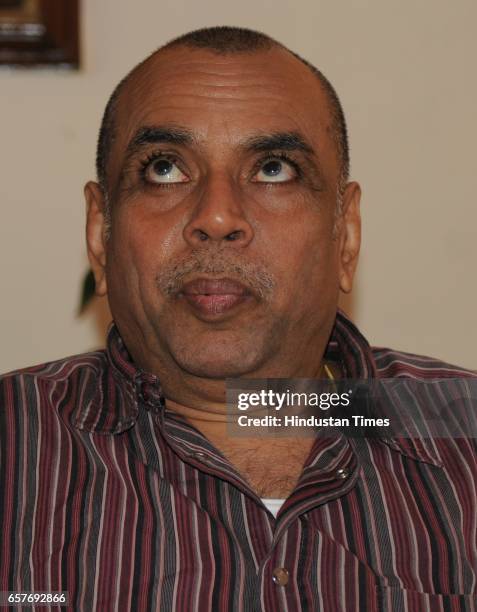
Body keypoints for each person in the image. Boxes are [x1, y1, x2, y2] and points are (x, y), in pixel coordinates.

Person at [0, 26, 476, 612]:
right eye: (164, 169)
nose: (218, 216)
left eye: (274, 168)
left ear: (345, 235)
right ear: (100, 235)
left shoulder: (463, 436)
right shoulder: (15, 446)